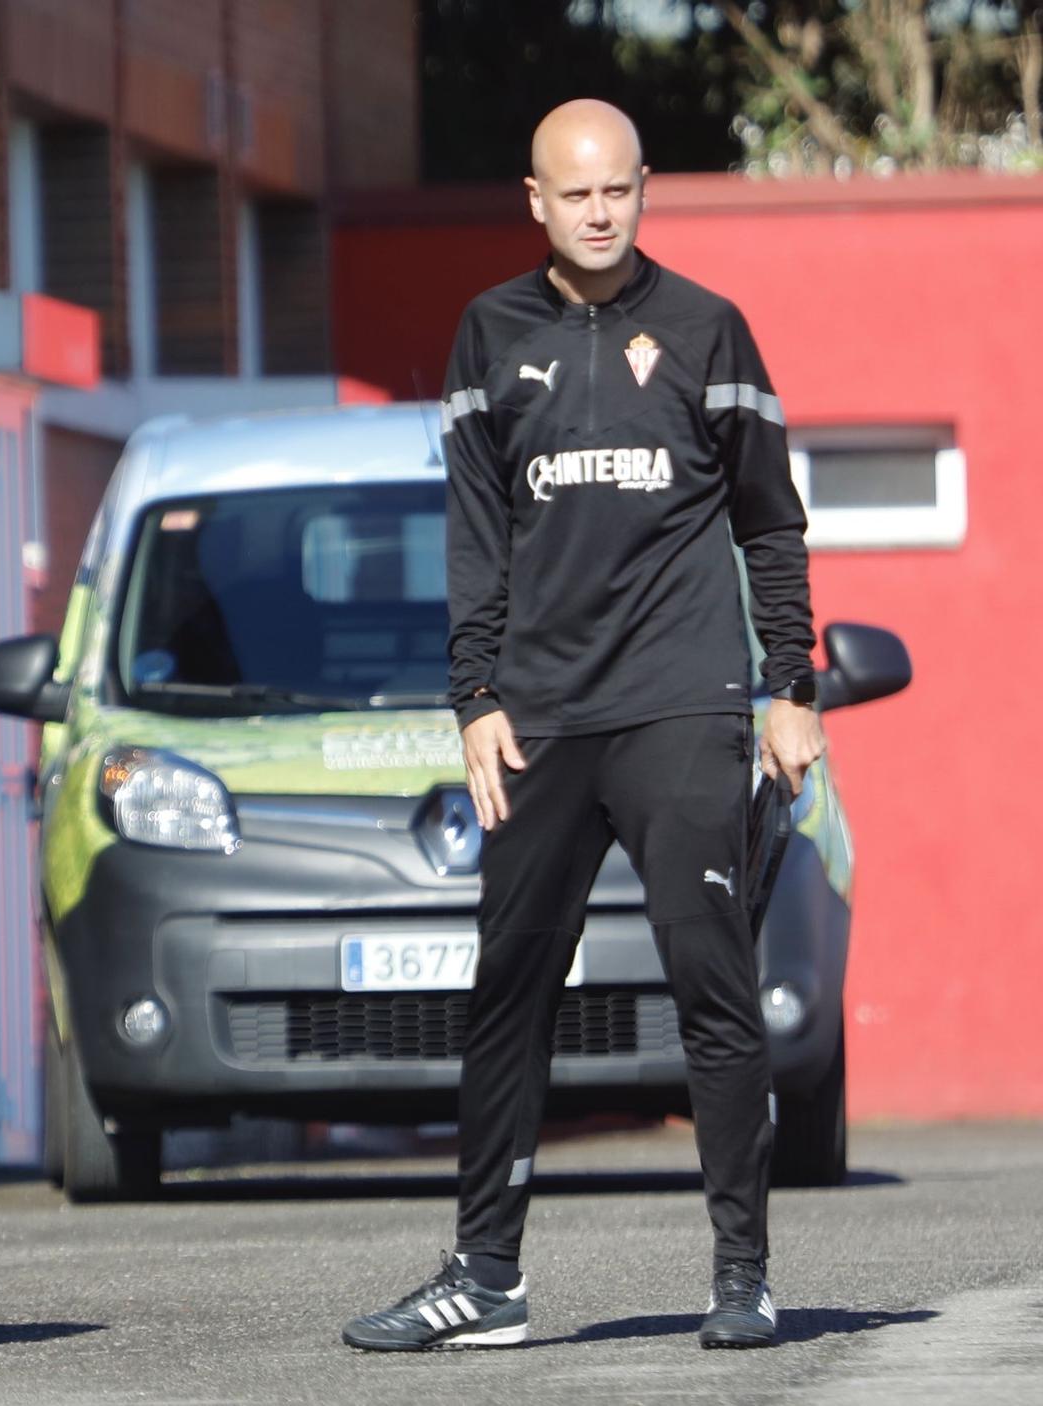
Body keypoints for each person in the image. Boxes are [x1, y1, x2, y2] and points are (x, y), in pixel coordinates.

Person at [342, 100, 825, 1354]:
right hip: (540, 720)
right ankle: (485, 1278)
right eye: (576, 192)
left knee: (711, 986)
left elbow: (769, 523)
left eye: (618, 189)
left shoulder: (708, 328)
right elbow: (474, 537)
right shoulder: (487, 334)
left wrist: (789, 685)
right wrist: (473, 698)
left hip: (681, 704)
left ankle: (742, 1274)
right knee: (506, 992)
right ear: (535, 199)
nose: (599, 210)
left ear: (641, 191)